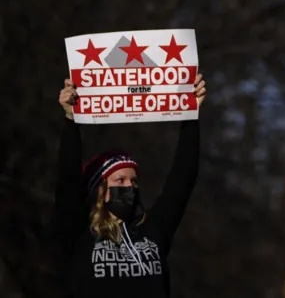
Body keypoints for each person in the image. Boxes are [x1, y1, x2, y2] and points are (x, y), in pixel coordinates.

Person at [52, 75, 206, 297]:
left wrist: (191, 116)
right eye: (120, 180)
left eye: (134, 181)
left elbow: (183, 177)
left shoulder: (153, 229)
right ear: (101, 191)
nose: (130, 187)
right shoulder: (78, 235)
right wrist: (70, 118)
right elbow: (67, 181)